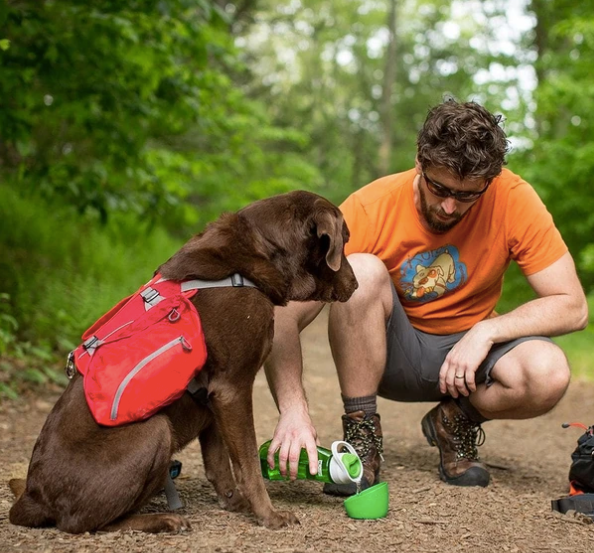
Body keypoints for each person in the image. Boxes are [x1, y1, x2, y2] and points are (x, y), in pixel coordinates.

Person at [263, 99, 588, 495]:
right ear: (419, 160)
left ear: (491, 179)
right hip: (393, 355)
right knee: (361, 270)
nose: (450, 206)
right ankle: (363, 439)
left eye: (468, 195)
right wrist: (293, 410)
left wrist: (486, 331)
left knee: (548, 372)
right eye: (440, 188)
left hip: (469, 362)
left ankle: (453, 422)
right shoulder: (369, 207)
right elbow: (282, 311)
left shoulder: (514, 199)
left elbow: (572, 305)